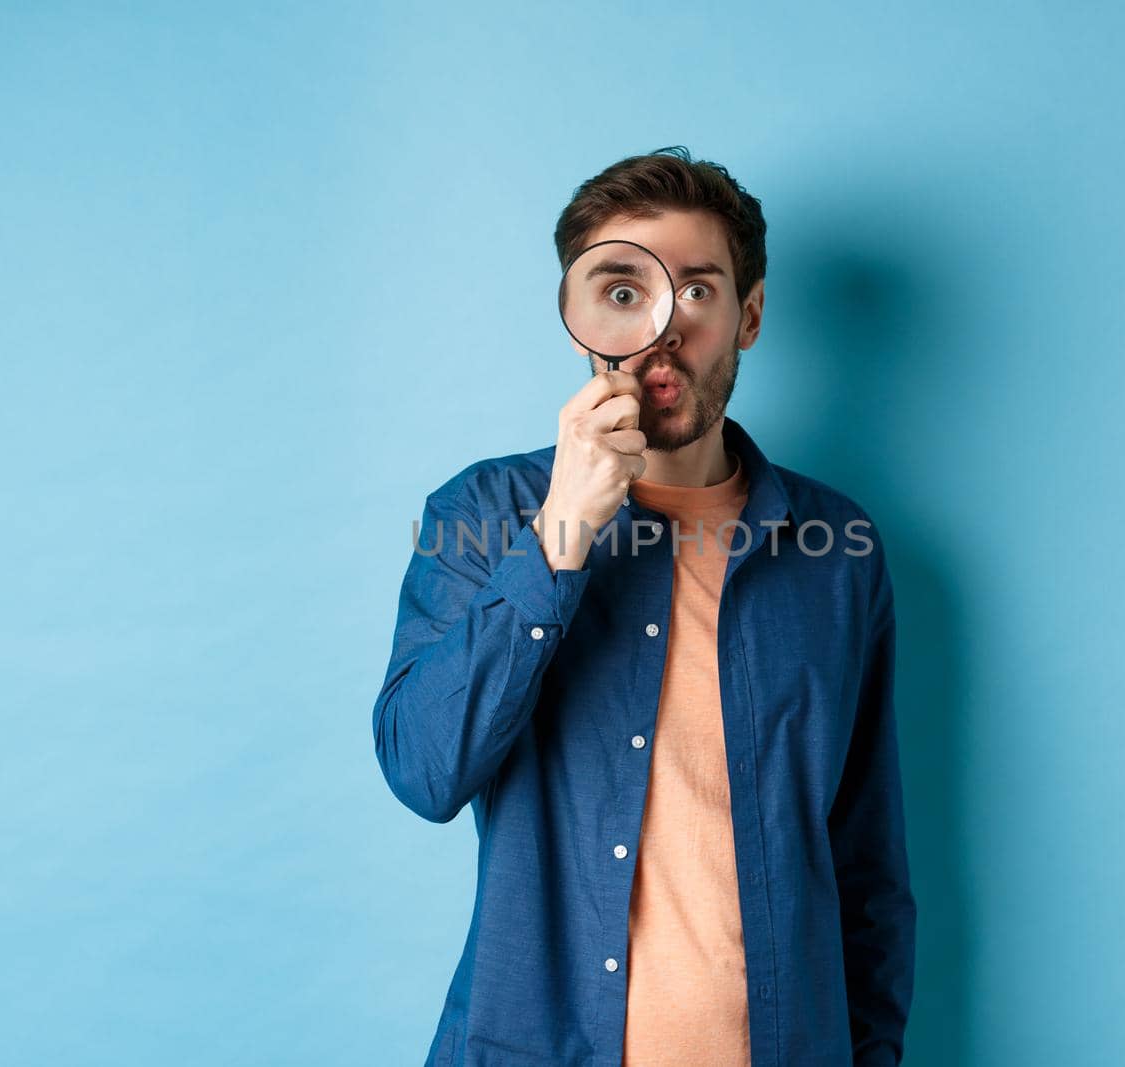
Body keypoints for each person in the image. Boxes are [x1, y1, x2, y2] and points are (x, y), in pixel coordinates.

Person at [373, 146, 915, 1066]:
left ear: (747, 316)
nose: (661, 328)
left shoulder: (840, 549)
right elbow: (425, 769)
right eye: (625, 291)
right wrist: (562, 535)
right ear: (583, 315)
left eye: (696, 291)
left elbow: (866, 866)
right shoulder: (478, 516)